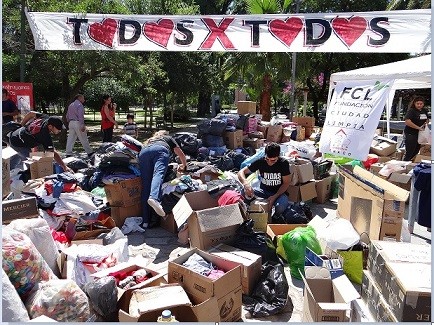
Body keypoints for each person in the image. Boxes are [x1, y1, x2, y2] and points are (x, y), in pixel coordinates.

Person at [138, 130, 187, 228]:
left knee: (146, 184)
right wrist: (184, 166)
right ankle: (154, 198)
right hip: (160, 150)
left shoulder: (151, 140)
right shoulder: (168, 138)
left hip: (143, 153)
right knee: (158, 174)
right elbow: (180, 154)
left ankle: (145, 221)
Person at [6, 111, 71, 172]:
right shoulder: (44, 134)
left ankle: (6, 176)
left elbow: (31, 113)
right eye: (58, 129)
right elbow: (53, 152)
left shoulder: (46, 118)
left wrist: (21, 125)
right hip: (18, 143)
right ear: (50, 126)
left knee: (14, 161)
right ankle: (27, 178)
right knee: (32, 167)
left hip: (16, 135)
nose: (60, 131)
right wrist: (64, 166)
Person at [238, 142, 291, 217]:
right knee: (243, 192)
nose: (269, 162)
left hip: (279, 193)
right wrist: (246, 184)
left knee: (280, 207)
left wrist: (274, 197)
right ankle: (250, 213)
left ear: (278, 156)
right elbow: (241, 172)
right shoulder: (261, 161)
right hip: (263, 191)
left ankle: (274, 218)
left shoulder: (283, 163)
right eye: (267, 159)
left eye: (273, 160)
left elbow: (286, 183)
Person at [403, 96, 429, 161]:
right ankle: (404, 164)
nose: (419, 105)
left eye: (421, 104)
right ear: (414, 103)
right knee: (410, 151)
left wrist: (426, 123)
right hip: (410, 133)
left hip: (420, 134)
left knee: (416, 150)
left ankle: (410, 164)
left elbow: (427, 118)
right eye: (418, 104)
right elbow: (407, 121)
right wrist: (417, 127)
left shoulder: (424, 110)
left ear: (423, 104)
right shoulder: (412, 111)